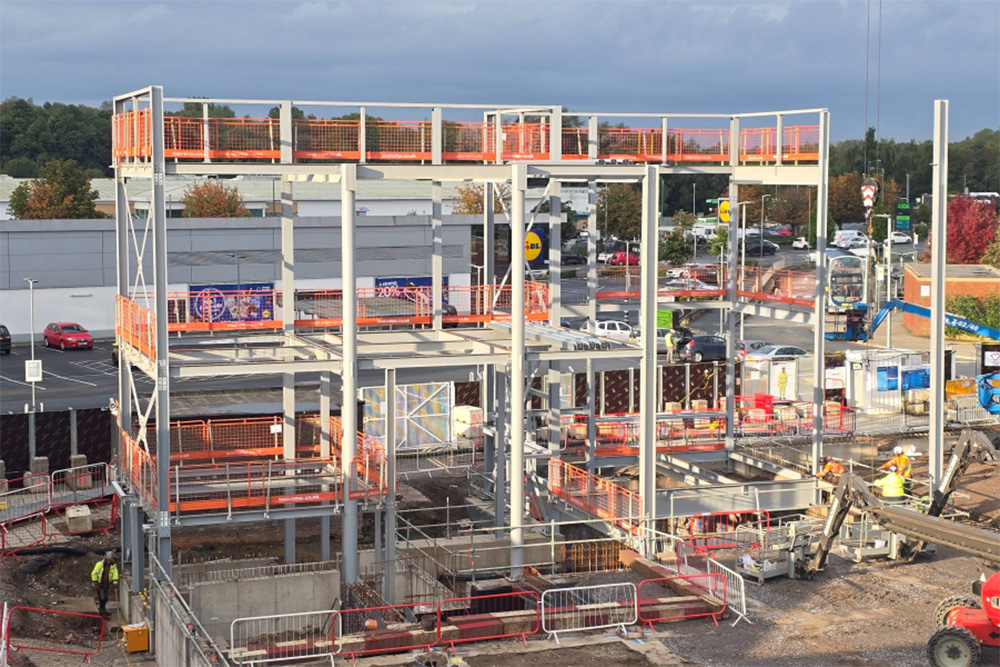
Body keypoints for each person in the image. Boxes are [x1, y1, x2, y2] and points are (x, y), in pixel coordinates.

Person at [91, 551, 119, 616]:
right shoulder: (99, 564)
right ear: (105, 558)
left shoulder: (113, 566)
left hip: (107, 584)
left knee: (106, 597)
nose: (109, 561)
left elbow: (115, 573)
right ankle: (101, 611)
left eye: (110, 560)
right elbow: (94, 573)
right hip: (100, 584)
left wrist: (115, 580)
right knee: (102, 598)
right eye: (108, 560)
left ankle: (103, 610)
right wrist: (95, 581)